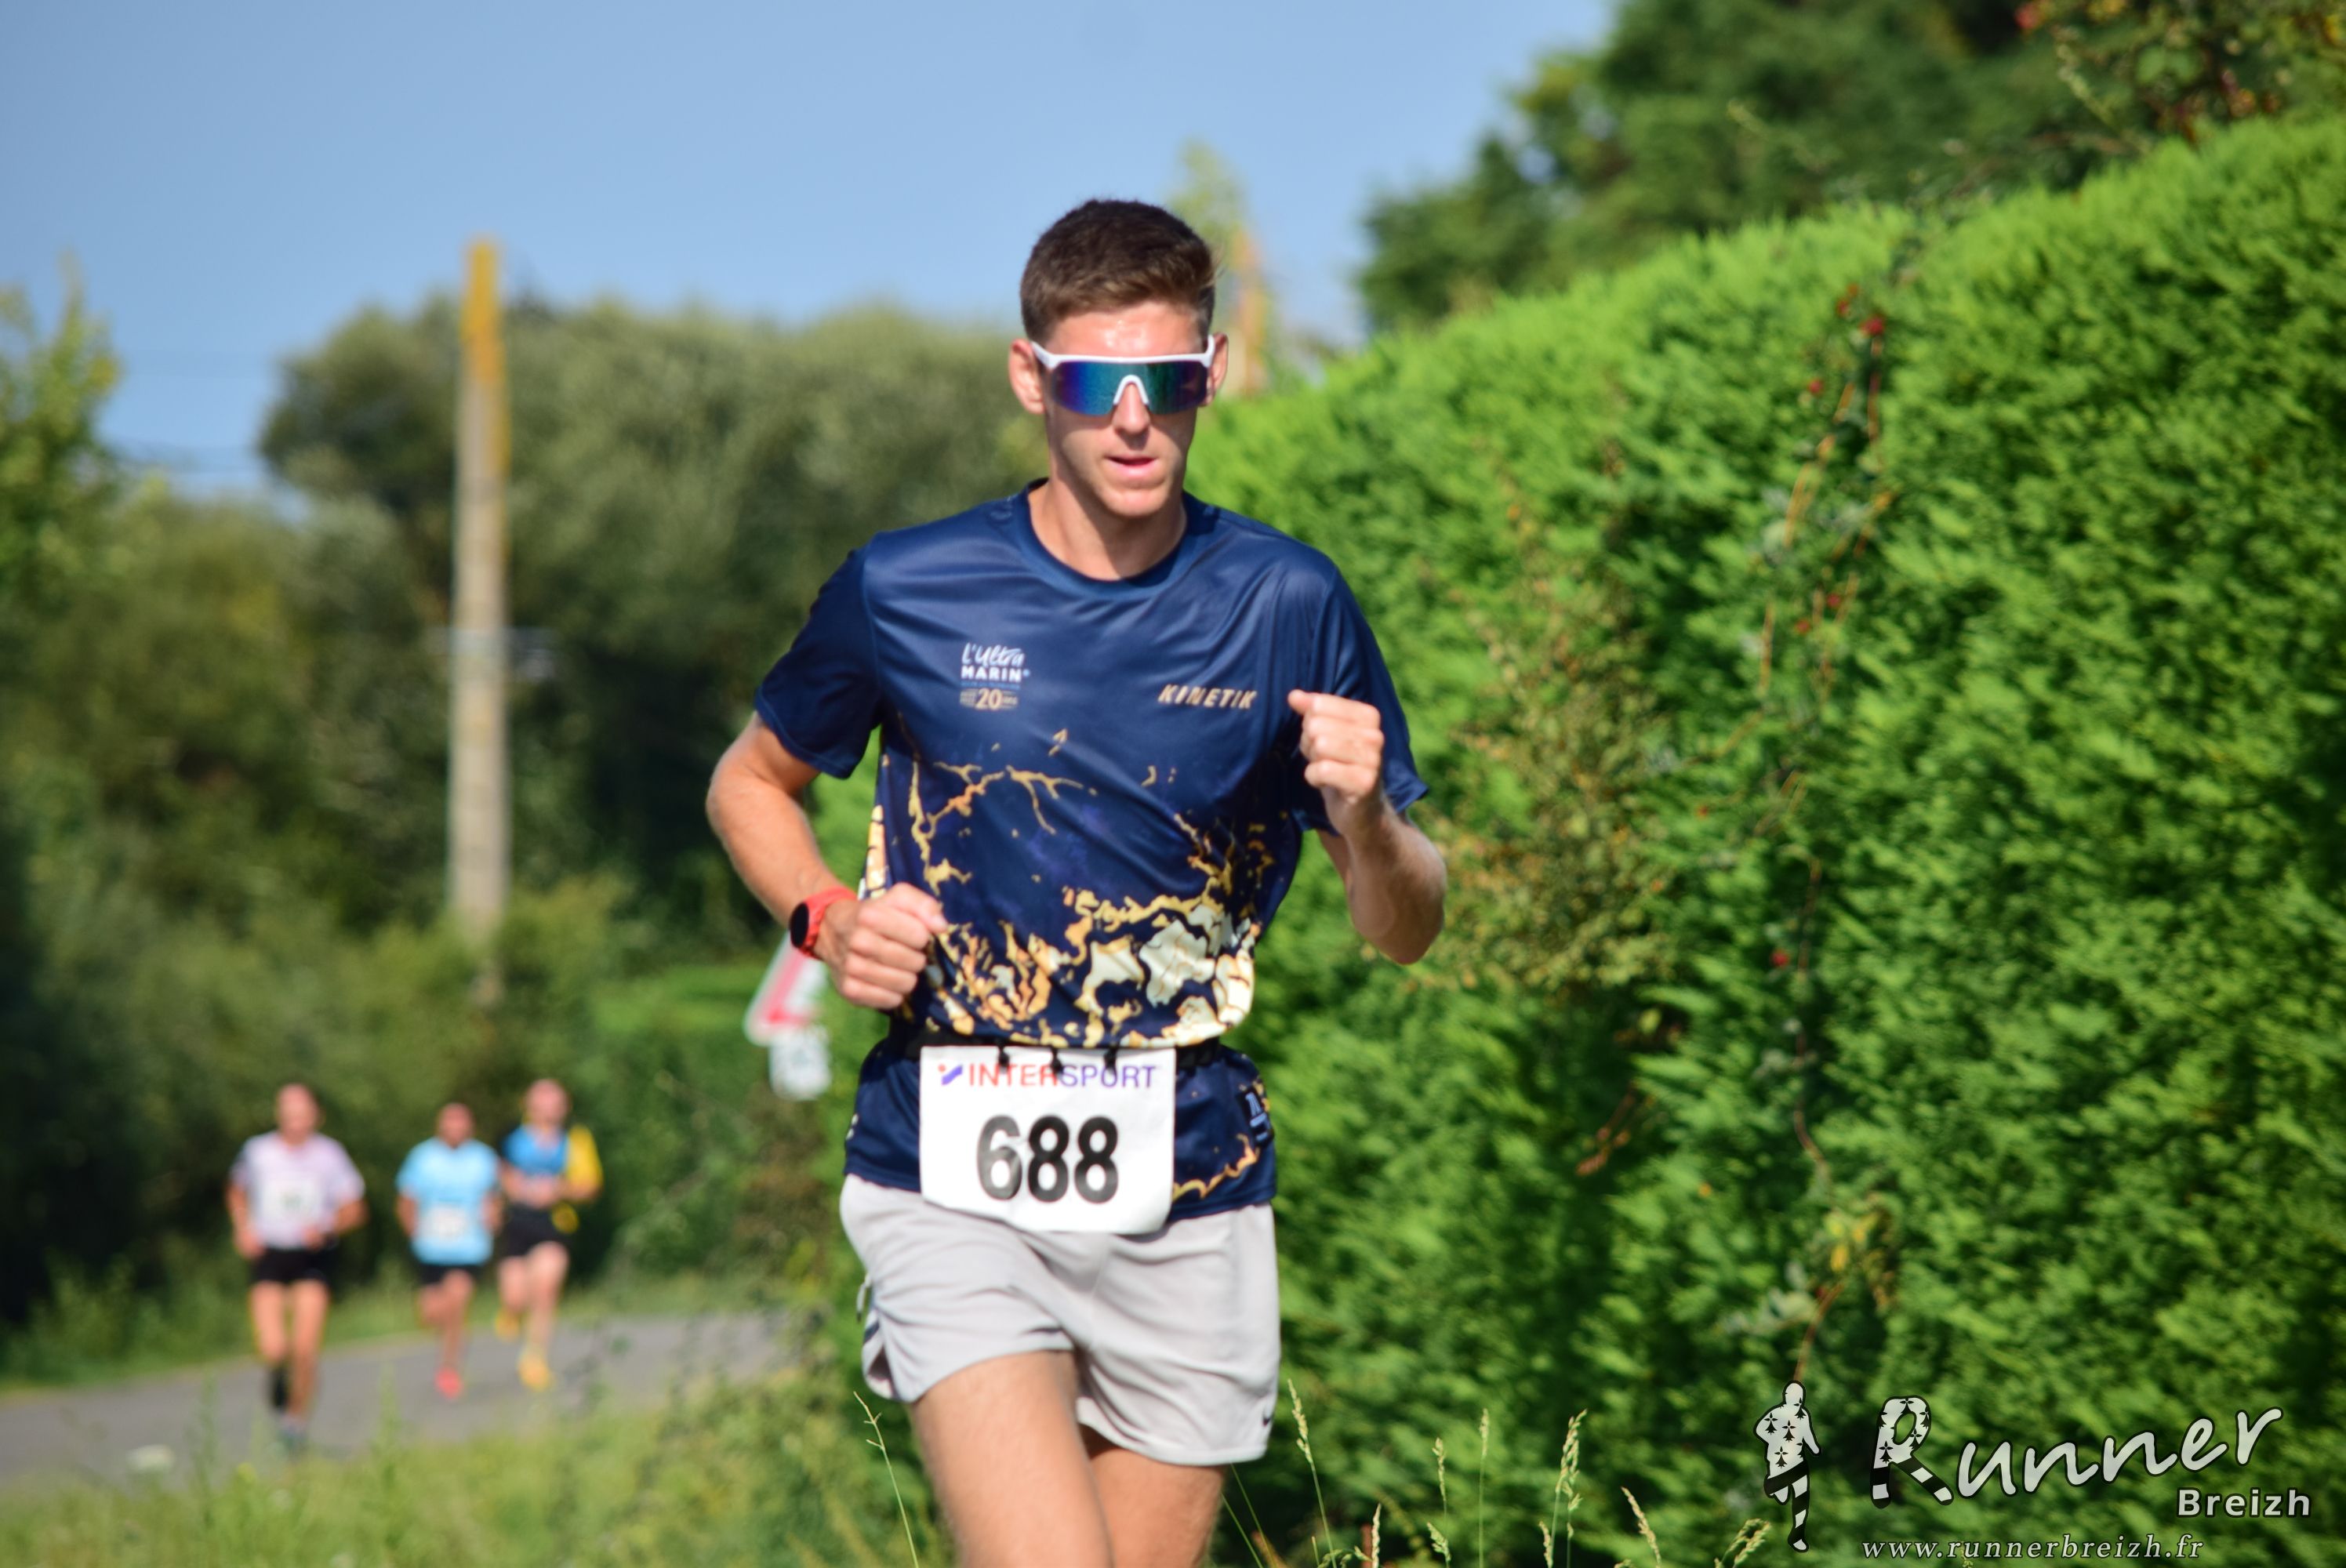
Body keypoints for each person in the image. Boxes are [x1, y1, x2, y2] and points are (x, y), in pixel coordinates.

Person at [706, 199, 1445, 1568]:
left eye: (1166, 382)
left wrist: (1370, 823)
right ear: (1030, 377)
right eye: (1098, 383)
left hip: (1189, 1179)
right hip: (951, 1168)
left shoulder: (1289, 603)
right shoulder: (906, 588)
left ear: (1210, 373)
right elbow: (749, 783)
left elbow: (1405, 929)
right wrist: (828, 921)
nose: (1134, 420)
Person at [227, 1082, 367, 1450]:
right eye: (290, 1112)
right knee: (274, 1347)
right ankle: (278, 1376)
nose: (296, 1121)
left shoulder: (330, 1155)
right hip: (270, 1254)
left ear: (316, 1116)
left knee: (304, 1349)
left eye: (303, 1113)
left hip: (311, 1257)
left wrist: (327, 1226)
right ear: (279, 1114)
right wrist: (242, 1228)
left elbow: (355, 1208)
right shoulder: (258, 1152)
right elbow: (236, 1190)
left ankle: (294, 1423)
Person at [494, 1077, 601, 1392]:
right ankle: (513, 1312)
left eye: (556, 1102)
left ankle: (535, 1358)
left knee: (546, 1287)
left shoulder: (575, 1139)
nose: (550, 1108)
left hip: (554, 1223)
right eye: (543, 1101)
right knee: (515, 1297)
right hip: (517, 1222)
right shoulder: (511, 1137)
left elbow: (590, 1185)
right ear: (529, 1105)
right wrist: (516, 1189)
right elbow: (499, 1174)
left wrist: (558, 1189)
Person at [395, 1101, 502, 1400]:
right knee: (431, 1314)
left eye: (461, 1121)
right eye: (450, 1121)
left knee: (458, 1302)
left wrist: (493, 1216)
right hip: (431, 1249)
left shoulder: (483, 1158)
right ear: (439, 1125)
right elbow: (407, 1199)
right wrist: (413, 1231)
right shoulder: (422, 1157)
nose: (455, 1127)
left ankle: (449, 1368)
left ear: (470, 1125)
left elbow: (494, 1197)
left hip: (469, 1248)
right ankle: (447, 1348)